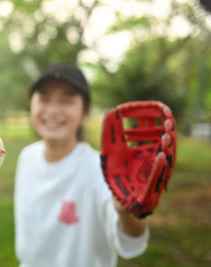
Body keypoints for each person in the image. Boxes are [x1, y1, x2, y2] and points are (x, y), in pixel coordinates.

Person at [14, 63, 149, 267]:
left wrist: (126, 210)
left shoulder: (100, 169)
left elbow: (133, 237)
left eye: (66, 100)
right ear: (31, 105)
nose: (52, 110)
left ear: (85, 112)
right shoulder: (27, 156)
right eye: (44, 98)